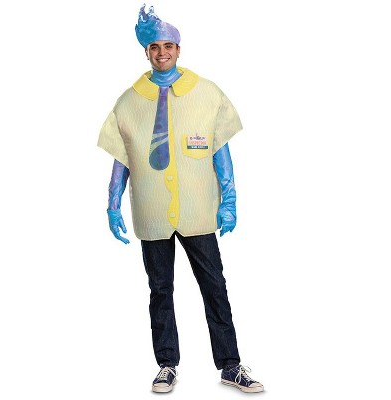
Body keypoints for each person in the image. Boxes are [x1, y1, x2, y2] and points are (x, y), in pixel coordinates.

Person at [97, 4, 264, 394]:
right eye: (154, 47)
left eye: (168, 46)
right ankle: (167, 364)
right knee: (160, 290)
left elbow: (220, 148)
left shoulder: (206, 94)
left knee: (214, 286)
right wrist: (112, 203)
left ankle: (230, 365)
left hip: (197, 210)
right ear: (146, 52)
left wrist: (229, 199)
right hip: (152, 210)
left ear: (178, 49)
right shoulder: (128, 102)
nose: (162, 53)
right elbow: (122, 157)